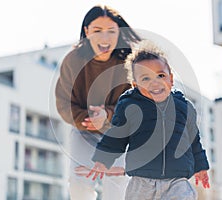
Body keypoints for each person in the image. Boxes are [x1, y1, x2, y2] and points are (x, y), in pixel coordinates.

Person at [87, 41, 210, 200]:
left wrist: (201, 166)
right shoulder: (130, 106)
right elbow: (117, 135)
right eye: (145, 78)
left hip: (177, 181)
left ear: (171, 79)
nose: (155, 82)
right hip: (142, 182)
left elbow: (194, 141)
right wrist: (103, 159)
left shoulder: (184, 107)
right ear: (135, 84)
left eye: (161, 75)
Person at [55, 5, 141, 200]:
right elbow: (63, 102)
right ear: (87, 31)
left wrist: (107, 115)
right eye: (97, 31)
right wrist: (87, 119)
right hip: (83, 131)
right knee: (79, 184)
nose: (105, 38)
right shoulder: (73, 60)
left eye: (111, 31)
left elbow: (134, 104)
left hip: (117, 133)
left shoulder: (128, 62)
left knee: (117, 184)